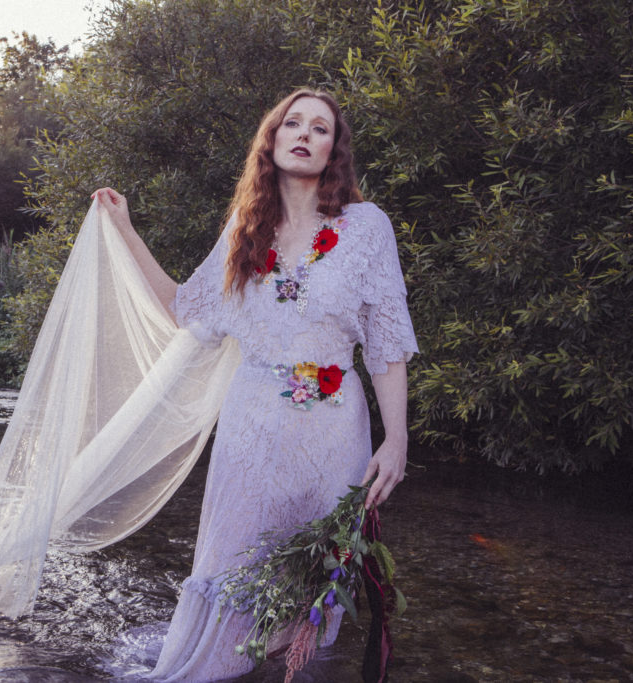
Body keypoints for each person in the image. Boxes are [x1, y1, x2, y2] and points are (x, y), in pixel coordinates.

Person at [92, 88, 418, 681]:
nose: (304, 134)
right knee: (237, 562)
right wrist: (126, 231)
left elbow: (387, 344)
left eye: (320, 128)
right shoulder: (246, 232)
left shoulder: (367, 229)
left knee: (313, 578)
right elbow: (185, 310)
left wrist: (395, 440)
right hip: (252, 429)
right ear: (271, 141)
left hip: (334, 432)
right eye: (292, 123)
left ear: (333, 150)